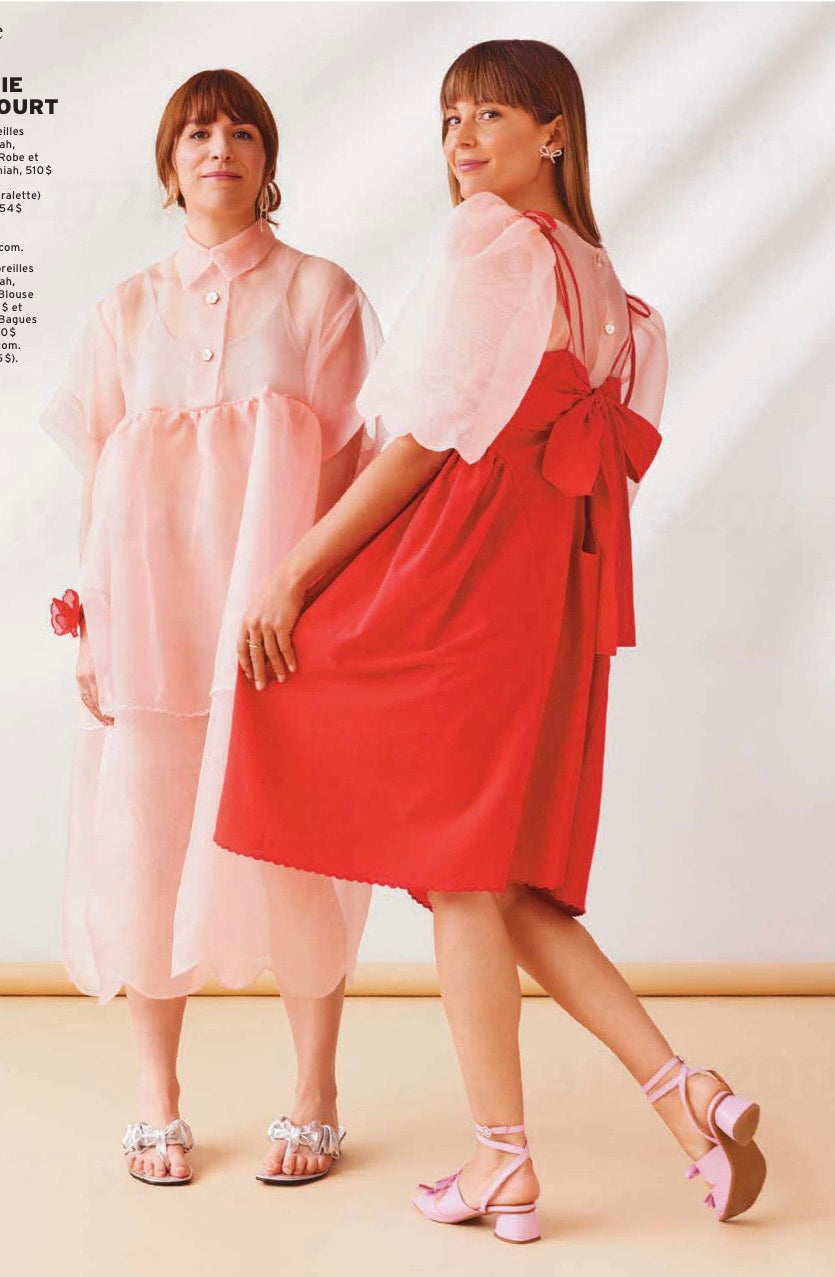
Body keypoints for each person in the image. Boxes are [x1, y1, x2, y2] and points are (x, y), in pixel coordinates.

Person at [213, 39, 767, 1239]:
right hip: (547, 595)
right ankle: (689, 1099)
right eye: (450, 116)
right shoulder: (602, 283)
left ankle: (500, 1162)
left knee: (439, 848)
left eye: (492, 116)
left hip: (463, 576)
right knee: (497, 879)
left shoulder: (491, 246)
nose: (462, 138)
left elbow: (422, 437)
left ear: (552, 132)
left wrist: (295, 569)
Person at [41, 68, 379, 1186]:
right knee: (145, 839)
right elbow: (99, 478)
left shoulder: (318, 294)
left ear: (267, 160)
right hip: (147, 621)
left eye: (240, 131)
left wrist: (318, 607)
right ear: (167, 162)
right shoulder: (123, 311)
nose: (218, 147)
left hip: (279, 626)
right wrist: (89, 627)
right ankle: (157, 1096)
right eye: (196, 132)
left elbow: (351, 471)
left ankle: (313, 1090)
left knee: (293, 850)